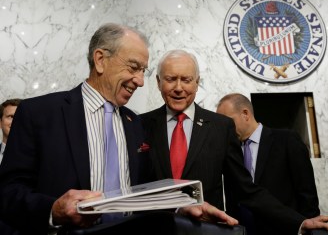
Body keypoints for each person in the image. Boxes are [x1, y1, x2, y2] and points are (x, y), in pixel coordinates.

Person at [0, 24, 237, 235]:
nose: (140, 81)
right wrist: (52, 210)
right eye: (134, 67)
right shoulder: (39, 113)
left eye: (143, 71)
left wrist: (182, 205)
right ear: (101, 59)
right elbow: (7, 192)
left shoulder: (134, 123)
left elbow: (143, 192)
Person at [140, 49, 328, 234]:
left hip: (205, 231)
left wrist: (300, 221)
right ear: (158, 82)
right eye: (170, 79)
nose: (178, 87)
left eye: (186, 79)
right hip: (153, 229)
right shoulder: (139, 125)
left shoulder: (221, 127)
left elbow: (245, 190)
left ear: (197, 82)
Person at [216, 93, 320, 235]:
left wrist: (307, 229)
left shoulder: (287, 140)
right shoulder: (230, 152)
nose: (224, 128)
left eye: (227, 121)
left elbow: (307, 195)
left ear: (245, 114)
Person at [0, 98, 21, 164]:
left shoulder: (41, 157)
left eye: (21, 116)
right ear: (0, 122)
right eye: (11, 117)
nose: (16, 121)